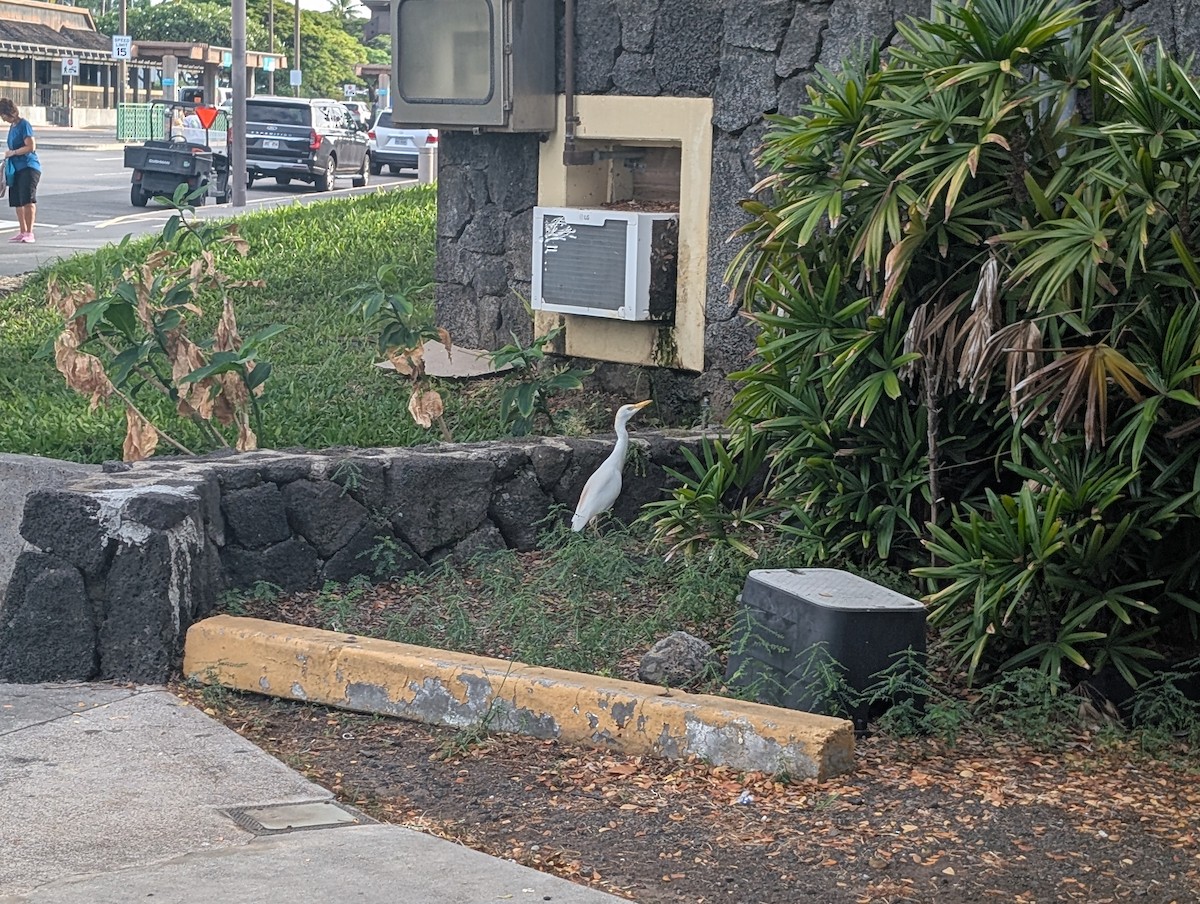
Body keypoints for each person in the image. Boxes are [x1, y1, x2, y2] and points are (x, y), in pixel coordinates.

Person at [0, 98, 41, 244]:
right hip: (15, 168)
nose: (2, 119)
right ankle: (22, 230)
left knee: (27, 200)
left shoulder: (24, 125)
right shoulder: (12, 126)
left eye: (3, 115)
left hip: (28, 167)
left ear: (8, 112)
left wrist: (14, 152)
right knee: (17, 201)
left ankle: (29, 232)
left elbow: (31, 146)